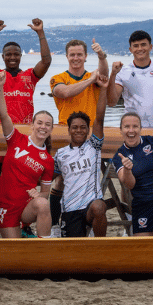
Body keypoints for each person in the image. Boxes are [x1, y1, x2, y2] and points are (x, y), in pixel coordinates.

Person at [0, 18, 52, 233]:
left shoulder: (29, 76)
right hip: (0, 136)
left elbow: (47, 61)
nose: (12, 57)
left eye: (16, 54)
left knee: (25, 186)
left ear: (20, 57)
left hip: (24, 141)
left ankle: (25, 223)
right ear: (2, 57)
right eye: (8, 54)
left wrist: (40, 33)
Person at [47, 38, 109, 232]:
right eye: (72, 54)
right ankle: (55, 224)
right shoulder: (58, 77)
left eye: (79, 54)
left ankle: (88, 217)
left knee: (87, 176)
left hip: (90, 133)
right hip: (66, 131)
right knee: (61, 179)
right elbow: (65, 92)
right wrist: (90, 79)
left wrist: (101, 56)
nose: (76, 58)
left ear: (85, 56)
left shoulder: (94, 75)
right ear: (66, 56)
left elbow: (105, 74)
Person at [0, 71, 55, 238]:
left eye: (47, 124)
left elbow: (45, 193)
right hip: (6, 206)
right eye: (39, 123)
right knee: (14, 254)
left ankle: (45, 247)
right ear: (32, 125)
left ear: (51, 129)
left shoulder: (48, 160)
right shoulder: (16, 138)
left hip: (27, 207)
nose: (43, 127)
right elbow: (4, 115)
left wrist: (38, 195)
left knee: (42, 203)